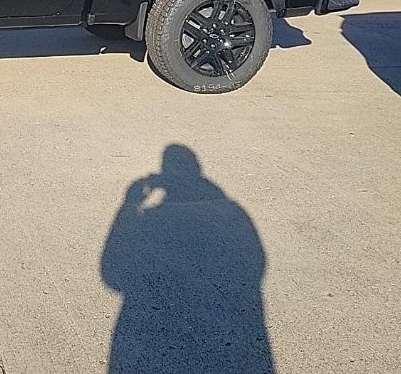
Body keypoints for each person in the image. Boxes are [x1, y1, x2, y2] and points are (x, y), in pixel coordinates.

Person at [101, 144, 273, 373]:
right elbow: (256, 264)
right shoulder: (235, 212)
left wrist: (130, 204)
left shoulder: (152, 220)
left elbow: (113, 275)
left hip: (153, 339)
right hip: (239, 338)